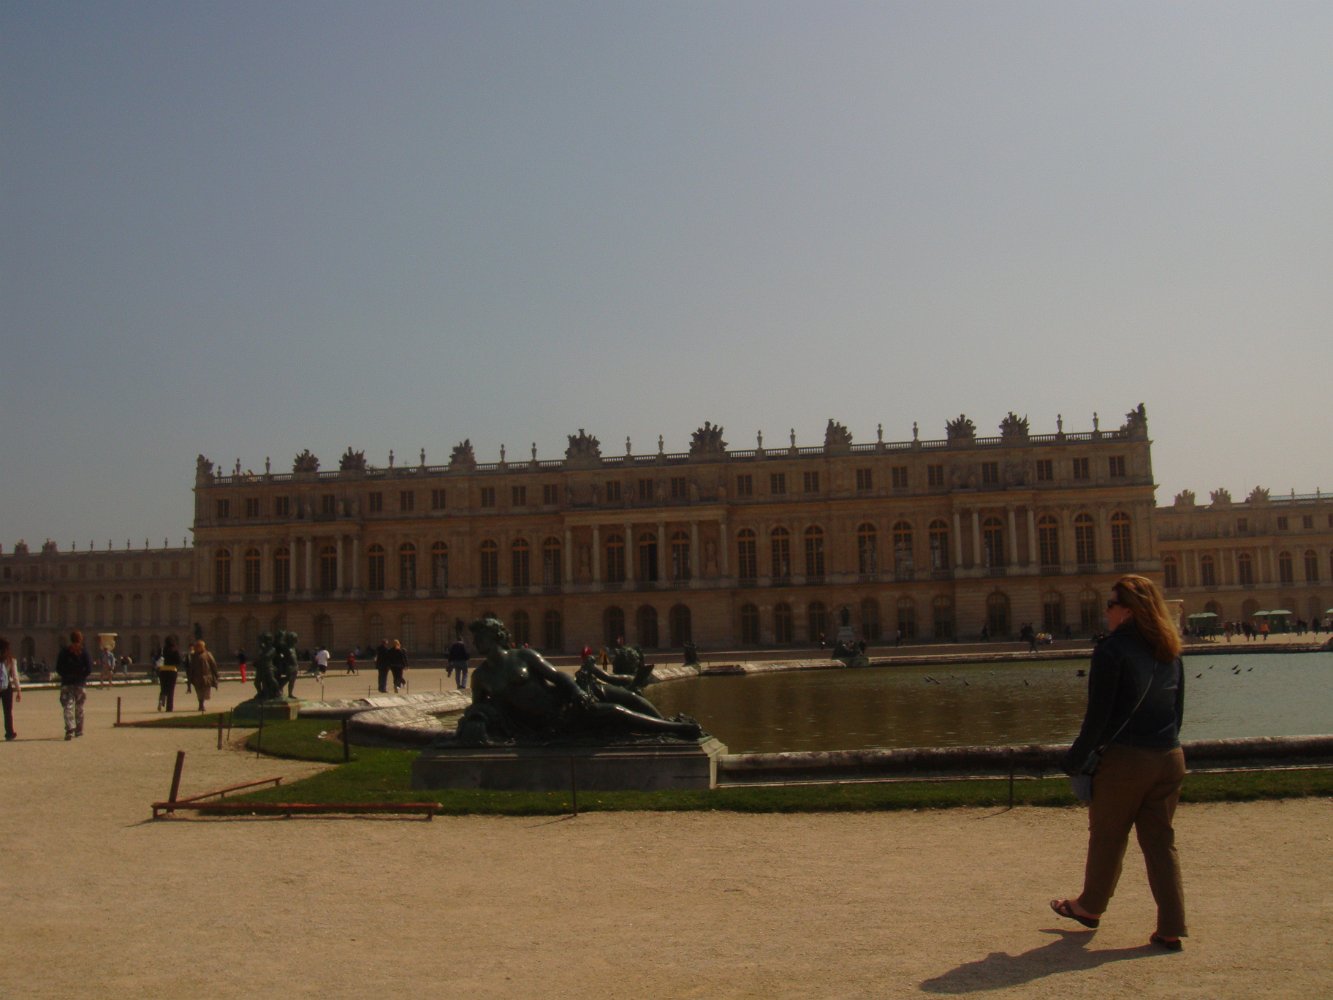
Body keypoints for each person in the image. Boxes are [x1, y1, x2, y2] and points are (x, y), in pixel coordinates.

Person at [1050, 574, 1187, 952]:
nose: (1106, 611)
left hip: (1127, 760)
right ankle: (1172, 927)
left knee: (1108, 836)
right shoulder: (1170, 647)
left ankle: (1090, 906)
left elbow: (1098, 718)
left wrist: (1074, 760)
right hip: (1169, 756)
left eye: (1111, 605)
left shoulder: (1112, 650)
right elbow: (1177, 713)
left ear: (1128, 611)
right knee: (1161, 843)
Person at [461, 617, 701, 744]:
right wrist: (477, 718)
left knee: (627, 696)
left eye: (481, 636)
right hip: (553, 720)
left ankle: (662, 723)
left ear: (496, 636)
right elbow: (477, 707)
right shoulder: (480, 676)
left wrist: (576, 691)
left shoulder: (523, 656)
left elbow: (557, 675)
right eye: (476, 637)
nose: (476, 641)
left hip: (564, 697)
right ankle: (675, 729)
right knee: (615, 711)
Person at [55, 629, 93, 740]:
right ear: (81, 639)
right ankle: (79, 730)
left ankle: (70, 729)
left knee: (68, 706)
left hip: (67, 683)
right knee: (79, 707)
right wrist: (82, 676)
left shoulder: (64, 652)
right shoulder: (84, 652)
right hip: (80, 684)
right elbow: (89, 668)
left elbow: (58, 668)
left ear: (70, 639)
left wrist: (65, 675)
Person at [187, 639, 221, 712]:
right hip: (197, 677)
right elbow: (191, 667)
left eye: (199, 646)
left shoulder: (208, 654)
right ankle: (201, 704)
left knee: (205, 692)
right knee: (199, 691)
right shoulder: (193, 656)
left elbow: (213, 664)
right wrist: (190, 678)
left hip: (206, 676)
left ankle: (202, 703)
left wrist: (216, 674)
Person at [0, 636, 21, 740]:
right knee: (8, 712)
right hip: (6, 687)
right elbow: (15, 676)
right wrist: (18, 690)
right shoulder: (11, 659)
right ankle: (9, 733)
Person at [157, 637, 181, 711]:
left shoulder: (162, 650)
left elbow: (156, 658)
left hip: (163, 671)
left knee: (163, 688)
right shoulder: (175, 650)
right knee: (171, 690)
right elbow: (179, 661)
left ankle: (161, 701)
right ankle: (169, 707)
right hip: (172, 671)